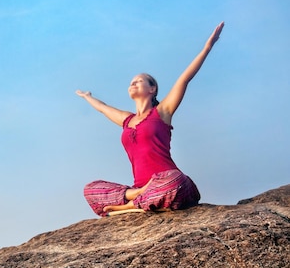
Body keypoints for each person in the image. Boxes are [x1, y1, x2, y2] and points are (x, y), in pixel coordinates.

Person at [76, 22, 224, 217]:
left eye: (139, 81)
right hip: (141, 187)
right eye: (131, 82)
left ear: (152, 88)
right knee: (90, 189)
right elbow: (103, 109)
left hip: (167, 183)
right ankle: (138, 197)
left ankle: (131, 205)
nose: (133, 84)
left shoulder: (162, 112)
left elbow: (184, 79)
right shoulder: (127, 121)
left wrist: (207, 47)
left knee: (176, 179)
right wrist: (87, 96)